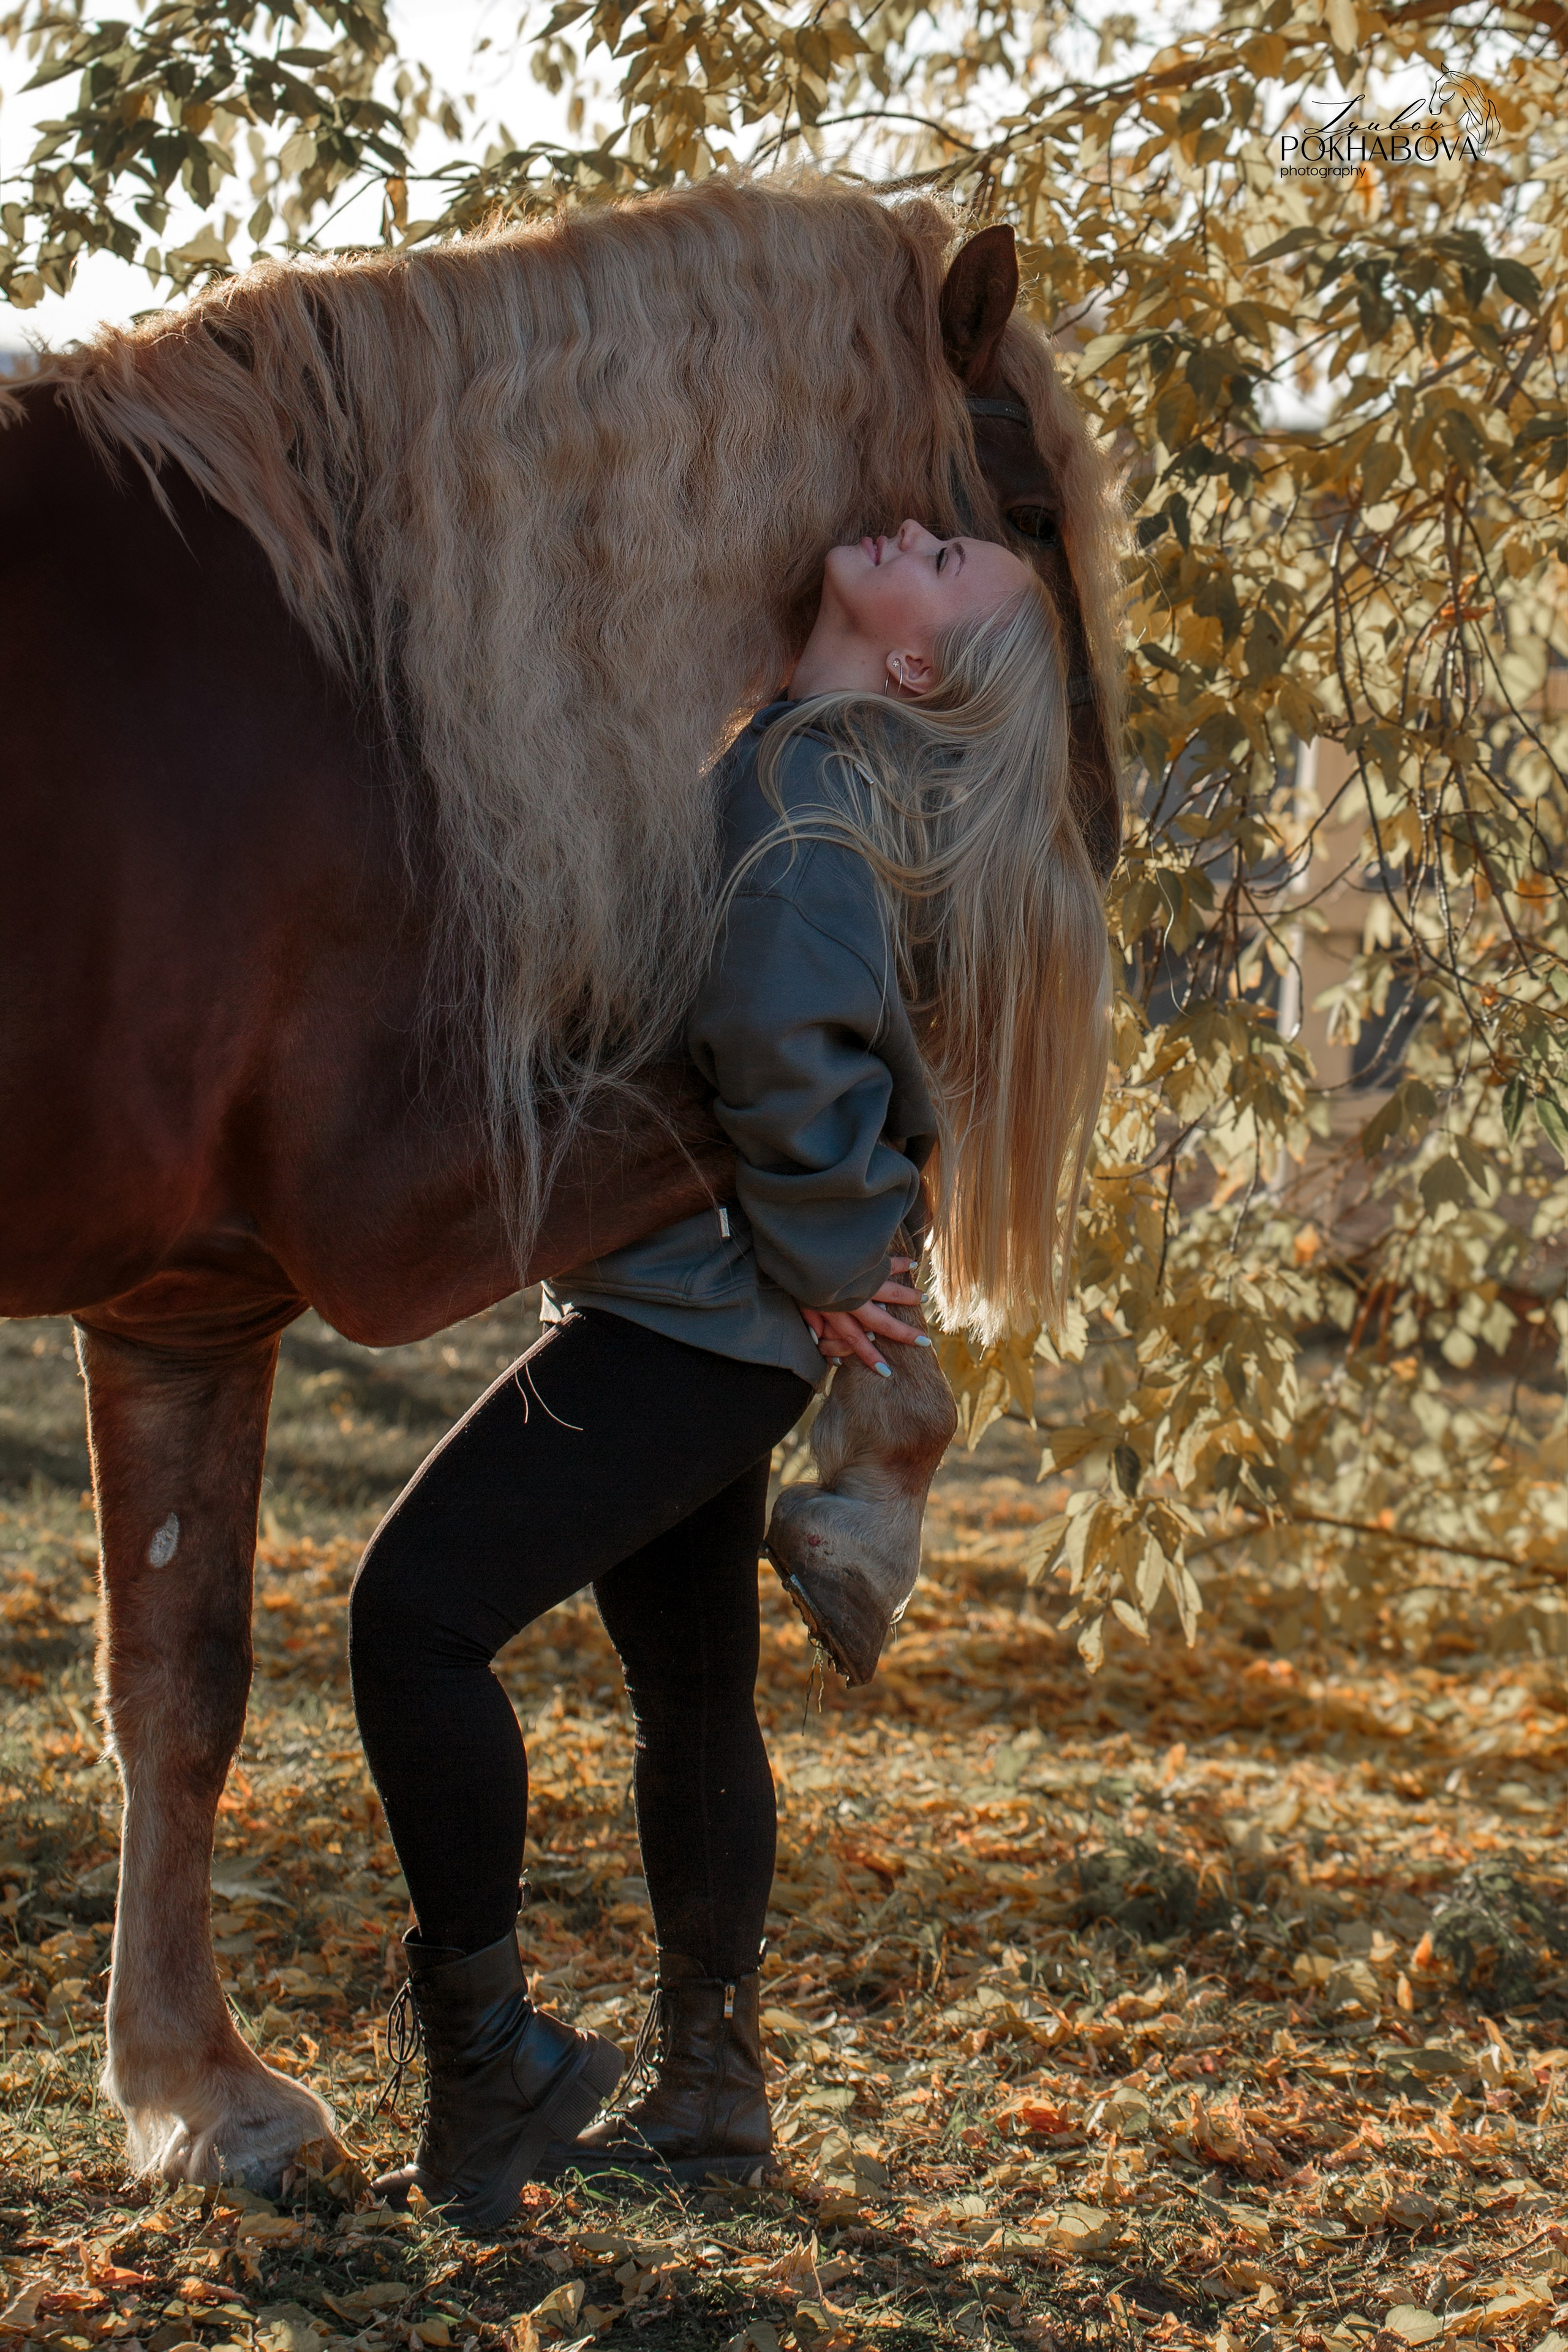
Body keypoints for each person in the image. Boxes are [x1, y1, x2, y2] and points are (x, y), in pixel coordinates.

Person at [347, 519, 1114, 2228]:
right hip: (713, 1326)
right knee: (692, 1695)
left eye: (948, 561)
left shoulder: (809, 796)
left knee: (413, 1621)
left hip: (694, 1330)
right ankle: (712, 2094)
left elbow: (782, 1034)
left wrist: (839, 1261)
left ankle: (493, 2064)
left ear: (912, 663)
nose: (921, 528)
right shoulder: (791, 759)